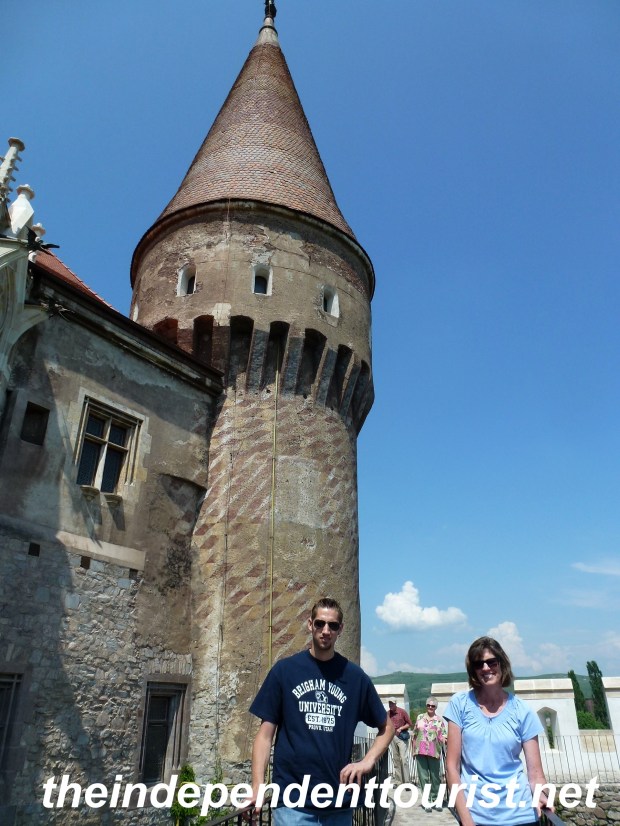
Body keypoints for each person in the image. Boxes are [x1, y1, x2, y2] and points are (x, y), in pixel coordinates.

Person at [248, 597, 394, 825]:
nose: (325, 630)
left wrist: (367, 761)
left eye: (332, 625)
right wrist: (257, 786)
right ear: (310, 624)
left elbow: (387, 727)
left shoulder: (355, 678)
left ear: (340, 630)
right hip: (292, 803)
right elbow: (265, 736)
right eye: (320, 623)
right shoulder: (285, 671)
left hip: (338, 803)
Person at [444, 636, 552, 826]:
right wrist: (466, 820)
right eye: (479, 664)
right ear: (473, 671)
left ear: (502, 664)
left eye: (491, 662)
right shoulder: (459, 704)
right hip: (477, 816)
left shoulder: (522, 711)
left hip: (522, 815)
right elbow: (452, 768)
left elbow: (536, 775)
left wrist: (543, 795)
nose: (486, 668)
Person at [411, 695, 447, 810]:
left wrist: (447, 741)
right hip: (420, 751)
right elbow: (415, 734)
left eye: (433, 706)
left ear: (436, 707)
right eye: (428, 705)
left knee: (436, 777)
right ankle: (427, 801)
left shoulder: (439, 720)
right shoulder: (420, 717)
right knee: (423, 777)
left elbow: (443, 735)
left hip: (434, 751)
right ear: (426, 706)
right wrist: (413, 751)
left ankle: (436, 799)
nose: (430, 707)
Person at [387, 697, 412, 785]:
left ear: (395, 704)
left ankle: (407, 782)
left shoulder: (402, 712)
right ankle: (398, 782)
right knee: (396, 759)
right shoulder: (388, 714)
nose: (390, 705)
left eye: (392, 703)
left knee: (404, 759)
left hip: (402, 737)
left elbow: (409, 723)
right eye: (389, 703)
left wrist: (401, 728)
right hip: (392, 737)